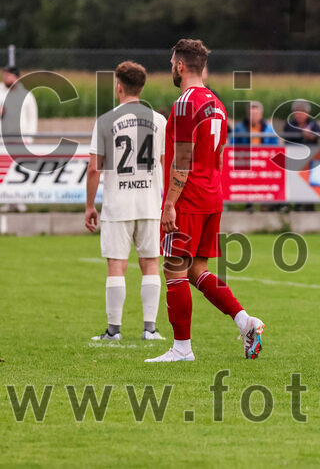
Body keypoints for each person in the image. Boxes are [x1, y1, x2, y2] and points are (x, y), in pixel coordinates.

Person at [146, 39, 264, 362]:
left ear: (181, 66)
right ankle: (245, 321)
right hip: (212, 196)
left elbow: (182, 160)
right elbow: (218, 156)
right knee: (197, 270)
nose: (172, 68)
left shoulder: (185, 103)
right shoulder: (217, 102)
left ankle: (182, 348)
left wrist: (169, 202)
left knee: (173, 270)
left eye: (173, 63)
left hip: (189, 198)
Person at [84, 61, 167, 342]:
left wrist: (89, 205)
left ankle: (114, 330)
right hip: (149, 204)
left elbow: (94, 167)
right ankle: (150, 329)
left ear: (119, 86)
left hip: (118, 205)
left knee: (116, 266)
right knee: (151, 264)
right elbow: (166, 164)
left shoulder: (105, 121)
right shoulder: (159, 121)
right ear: (141, 87)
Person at [0, 65, 38, 212]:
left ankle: (20, 201)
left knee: (20, 171)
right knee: (6, 173)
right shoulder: (1, 93)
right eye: (4, 75)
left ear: (16, 77)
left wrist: (30, 139)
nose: (5, 79)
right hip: (4, 141)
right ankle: (8, 202)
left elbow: (32, 119)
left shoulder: (27, 96)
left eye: (8, 75)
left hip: (21, 141)